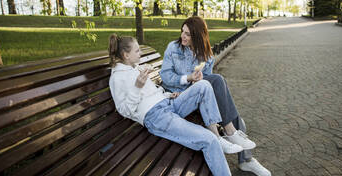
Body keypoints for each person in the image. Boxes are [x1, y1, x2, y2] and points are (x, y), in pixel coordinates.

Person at [108, 34, 254, 176]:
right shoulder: (118, 77)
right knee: (209, 141)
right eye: (137, 50)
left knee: (204, 85)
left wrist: (166, 95)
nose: (140, 53)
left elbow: (150, 94)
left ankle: (220, 136)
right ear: (126, 55)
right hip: (156, 117)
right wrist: (137, 87)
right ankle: (216, 139)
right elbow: (124, 110)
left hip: (168, 103)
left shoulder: (135, 68)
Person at [160, 16, 271, 176]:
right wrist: (188, 78)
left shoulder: (206, 55)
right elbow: (165, 75)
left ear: (198, 36)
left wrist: (196, 80)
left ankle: (246, 161)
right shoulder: (174, 48)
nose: (183, 36)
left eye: (188, 34)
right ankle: (231, 134)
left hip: (200, 96)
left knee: (239, 121)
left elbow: (208, 86)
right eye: (182, 32)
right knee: (219, 81)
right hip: (178, 97)